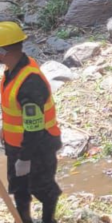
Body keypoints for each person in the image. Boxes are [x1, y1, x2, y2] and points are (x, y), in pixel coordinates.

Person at [0, 20, 62, 223]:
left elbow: (34, 128)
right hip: (15, 145)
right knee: (19, 187)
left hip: (38, 146)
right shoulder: (12, 71)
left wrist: (25, 158)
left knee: (42, 188)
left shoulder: (29, 82)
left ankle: (48, 220)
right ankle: (24, 219)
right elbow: (15, 113)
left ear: (3, 51)